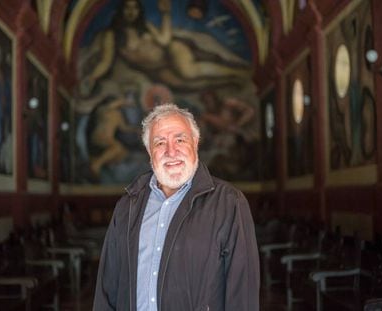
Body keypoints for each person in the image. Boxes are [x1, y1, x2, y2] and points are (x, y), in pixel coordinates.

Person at [93, 103, 260, 310]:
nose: (171, 152)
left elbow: (242, 295)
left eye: (180, 139)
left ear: (195, 142)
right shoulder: (127, 206)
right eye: (160, 142)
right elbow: (107, 291)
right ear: (149, 151)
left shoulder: (229, 203)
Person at [80, 0, 251, 96]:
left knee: (188, 72)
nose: (131, 12)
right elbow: (105, 60)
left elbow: (164, 40)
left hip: (171, 52)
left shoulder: (145, 26)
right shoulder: (112, 35)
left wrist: (166, 14)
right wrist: (93, 77)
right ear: (121, 11)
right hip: (156, 70)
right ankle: (230, 80)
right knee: (187, 85)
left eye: (135, 8)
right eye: (127, 8)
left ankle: (239, 73)